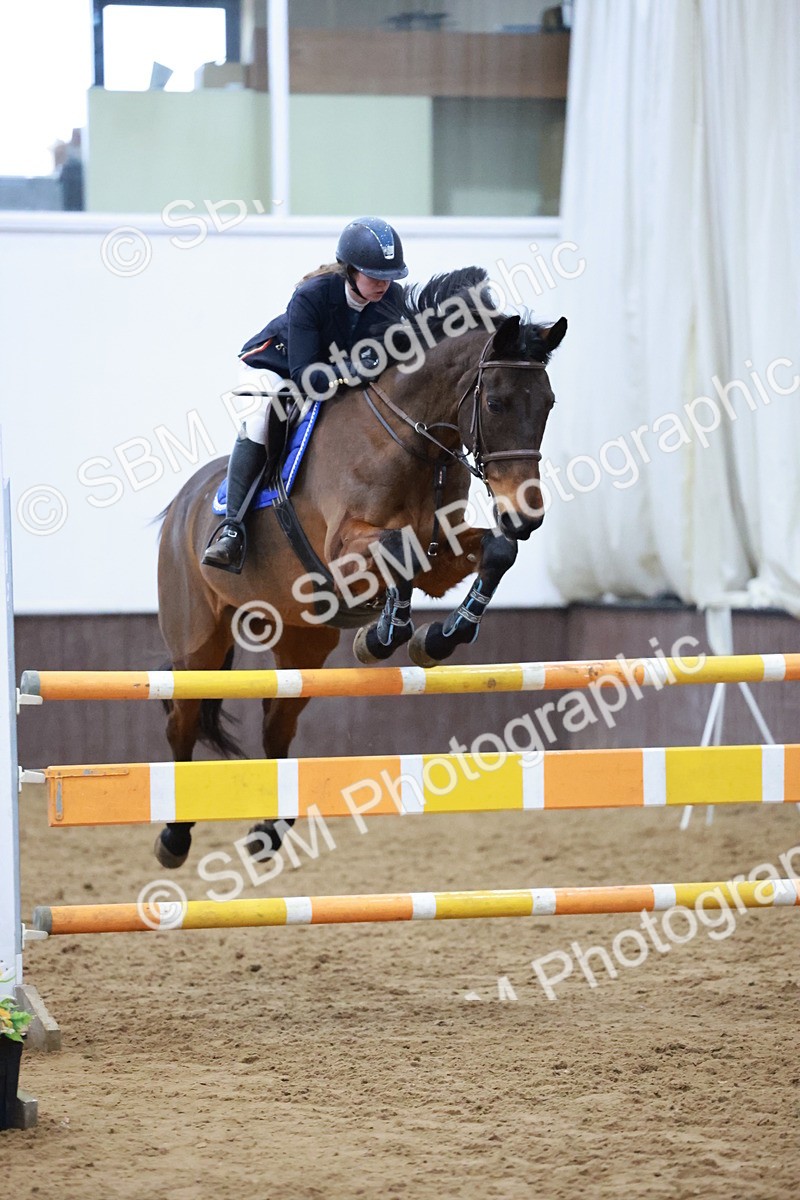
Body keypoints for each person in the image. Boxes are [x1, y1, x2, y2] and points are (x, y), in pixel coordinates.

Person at [202, 216, 409, 573]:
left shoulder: (392, 298)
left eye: (389, 277)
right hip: (276, 370)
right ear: (349, 271)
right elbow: (303, 375)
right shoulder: (312, 296)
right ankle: (232, 529)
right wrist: (352, 370)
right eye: (375, 277)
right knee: (261, 421)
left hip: (334, 374)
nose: (383, 285)